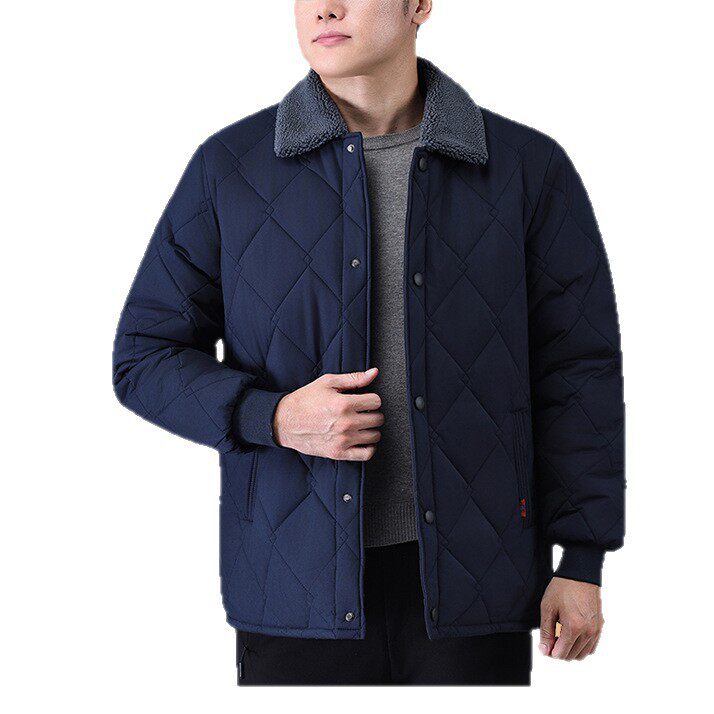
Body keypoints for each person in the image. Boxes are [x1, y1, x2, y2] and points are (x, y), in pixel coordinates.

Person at [112, 0, 625, 685]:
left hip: (476, 588)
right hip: (295, 590)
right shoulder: (231, 169)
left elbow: (578, 372)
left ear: (419, 5)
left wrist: (582, 560)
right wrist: (272, 416)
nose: (325, 8)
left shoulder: (525, 168)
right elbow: (144, 356)